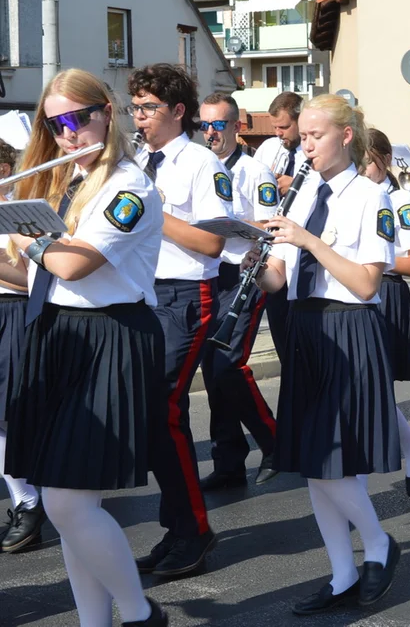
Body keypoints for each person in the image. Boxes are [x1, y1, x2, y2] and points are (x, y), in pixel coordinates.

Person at [2, 68, 168, 624]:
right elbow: (40, 279)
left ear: (106, 114)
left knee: (68, 504)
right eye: (56, 125)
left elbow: (71, 264)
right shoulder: (67, 183)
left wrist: (28, 240)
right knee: (71, 506)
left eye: (77, 119)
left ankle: (142, 614)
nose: (68, 135)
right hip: (59, 335)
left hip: (109, 339)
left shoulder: (130, 186)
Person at [251, 94, 401, 613]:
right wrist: (248, 255)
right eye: (304, 135)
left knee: (333, 462)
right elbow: (278, 278)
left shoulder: (368, 195)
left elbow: (364, 284)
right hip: (305, 328)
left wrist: (309, 240)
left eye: (315, 135)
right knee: (314, 464)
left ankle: (378, 544)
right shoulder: (304, 194)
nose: (304, 143)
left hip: (347, 328)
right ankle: (341, 573)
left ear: (344, 137)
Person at [129, 63, 231, 577]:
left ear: (177, 111)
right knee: (154, 419)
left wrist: (151, 212)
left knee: (163, 411)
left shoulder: (201, 163)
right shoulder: (138, 161)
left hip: (187, 295)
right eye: (136, 108)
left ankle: (195, 530)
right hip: (144, 295)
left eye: (148, 108)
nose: (139, 117)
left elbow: (213, 242)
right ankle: (179, 528)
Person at [197, 93, 279, 491]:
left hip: (244, 273)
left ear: (236, 127)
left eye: (218, 125)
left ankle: (274, 441)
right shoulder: (200, 167)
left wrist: (232, 224)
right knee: (212, 369)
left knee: (228, 365)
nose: (210, 133)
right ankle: (228, 459)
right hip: (208, 274)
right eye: (205, 125)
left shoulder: (255, 171)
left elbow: (268, 226)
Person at [364, 127, 410, 495]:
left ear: (385, 160)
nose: (360, 170)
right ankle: (409, 448)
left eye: (367, 163)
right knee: (362, 384)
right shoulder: (354, 194)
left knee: (374, 385)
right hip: (356, 293)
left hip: (386, 294)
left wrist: (372, 261)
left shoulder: (402, 200)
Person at [0, 139, 42, 555]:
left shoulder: (21, 208)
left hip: (14, 312)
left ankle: (31, 504)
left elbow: (34, 277)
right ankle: (25, 502)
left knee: (9, 413)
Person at [253, 91, 304, 360]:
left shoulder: (312, 149)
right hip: (274, 247)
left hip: (302, 248)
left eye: (284, 127)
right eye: (275, 128)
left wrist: (295, 182)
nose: (279, 133)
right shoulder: (269, 149)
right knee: (281, 332)